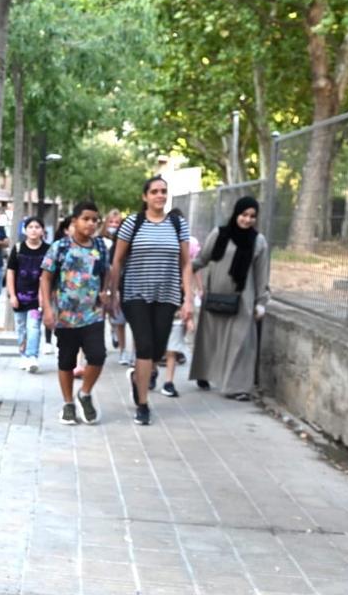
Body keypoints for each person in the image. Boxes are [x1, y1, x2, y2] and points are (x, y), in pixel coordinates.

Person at [106, 176, 194, 426]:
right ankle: (142, 404)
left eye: (163, 191)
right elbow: (118, 261)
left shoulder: (178, 224)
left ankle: (139, 375)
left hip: (167, 295)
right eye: (154, 191)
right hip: (136, 294)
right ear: (145, 196)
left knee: (156, 350)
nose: (160, 195)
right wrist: (112, 293)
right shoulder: (132, 223)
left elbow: (186, 263)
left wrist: (187, 300)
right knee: (144, 346)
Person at [190, 195, 271, 400]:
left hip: (243, 298)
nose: (247, 220)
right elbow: (203, 258)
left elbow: (262, 275)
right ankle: (205, 373)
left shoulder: (258, 241)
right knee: (212, 339)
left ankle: (237, 387)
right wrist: (183, 272)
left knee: (241, 342)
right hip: (216, 295)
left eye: (252, 216)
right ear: (236, 213)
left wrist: (261, 302)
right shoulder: (219, 234)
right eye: (244, 214)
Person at [40, 201, 109, 425]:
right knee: (66, 361)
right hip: (65, 317)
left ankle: (85, 393)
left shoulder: (100, 246)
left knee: (98, 356)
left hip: (93, 314)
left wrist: (107, 293)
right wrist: (48, 309)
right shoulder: (60, 247)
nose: (91, 223)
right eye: (86, 218)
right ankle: (68, 403)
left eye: (94, 219)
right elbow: (46, 277)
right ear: (74, 221)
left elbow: (105, 273)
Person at [5, 216, 51, 371]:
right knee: (21, 327)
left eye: (37, 227)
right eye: (30, 227)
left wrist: (44, 297)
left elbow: (47, 275)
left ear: (42, 231)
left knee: (34, 326)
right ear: (25, 230)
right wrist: (12, 295)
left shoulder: (47, 250)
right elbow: (11, 273)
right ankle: (23, 355)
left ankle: (32, 356)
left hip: (37, 298)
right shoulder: (18, 249)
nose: (34, 230)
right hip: (19, 296)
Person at [161, 234, 202, 398]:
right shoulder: (160, 268)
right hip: (158, 313)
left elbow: (188, 296)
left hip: (176, 316)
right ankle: (150, 373)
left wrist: (189, 318)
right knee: (155, 350)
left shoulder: (185, 273)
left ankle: (169, 382)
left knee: (172, 349)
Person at [102, 209, 132, 366]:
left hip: (132, 288)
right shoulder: (108, 245)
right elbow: (112, 267)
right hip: (117, 286)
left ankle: (133, 352)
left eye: (117, 223)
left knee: (133, 323)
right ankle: (123, 350)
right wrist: (112, 290)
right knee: (119, 320)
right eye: (111, 222)